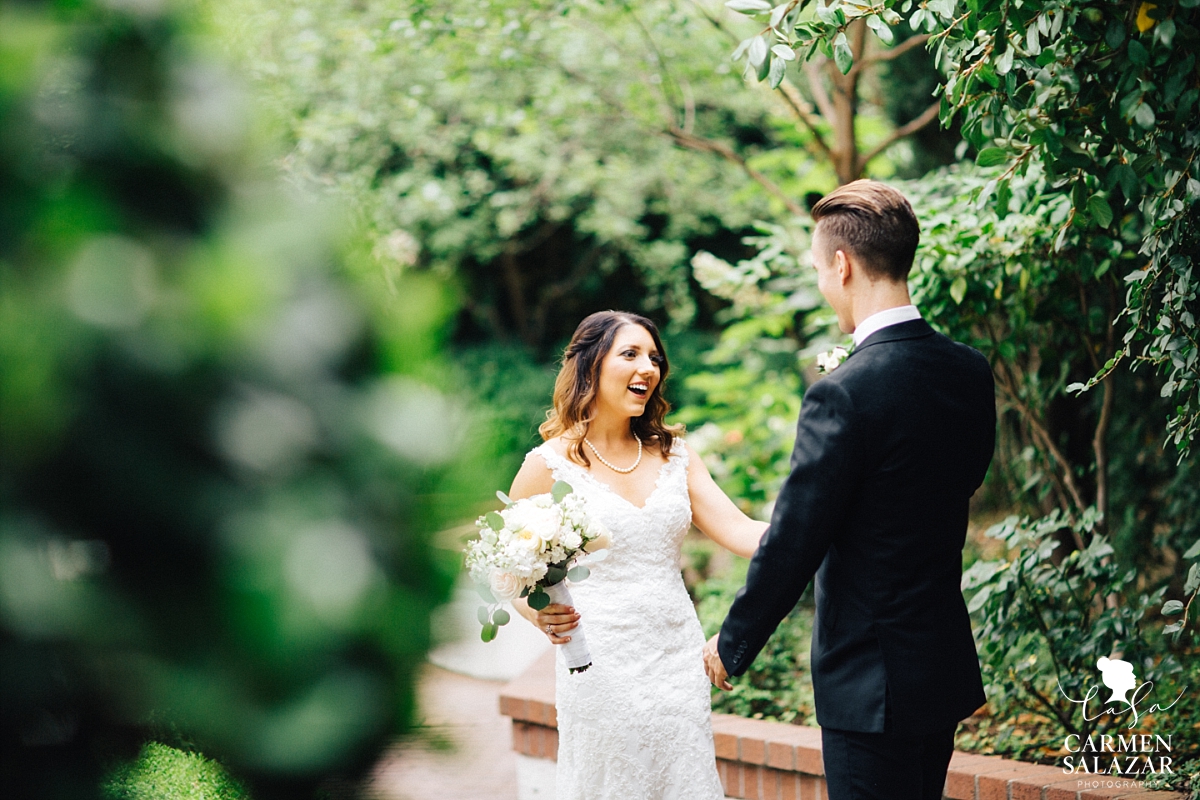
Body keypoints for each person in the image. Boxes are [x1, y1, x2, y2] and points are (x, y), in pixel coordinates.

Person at [703, 180, 997, 800]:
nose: (819, 281)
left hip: (868, 682)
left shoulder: (842, 391)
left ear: (842, 264)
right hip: (937, 663)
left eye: (817, 268)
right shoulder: (968, 371)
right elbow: (964, 481)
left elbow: (796, 538)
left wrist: (733, 643)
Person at [507, 310, 767, 800]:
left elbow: (743, 531)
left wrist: (823, 521)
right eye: (630, 354)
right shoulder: (548, 465)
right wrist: (538, 614)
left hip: (676, 660)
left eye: (653, 357)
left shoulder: (675, 455)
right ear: (590, 365)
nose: (647, 367)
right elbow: (507, 571)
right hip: (598, 664)